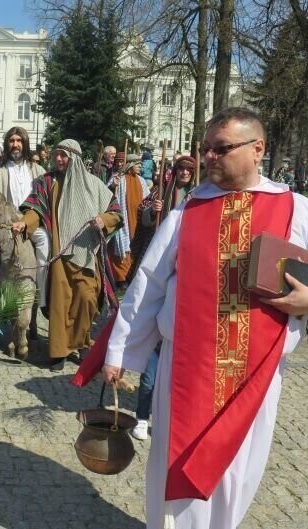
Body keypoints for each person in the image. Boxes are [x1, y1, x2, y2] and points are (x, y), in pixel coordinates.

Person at [101, 108, 308, 529]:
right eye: (206, 150)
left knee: (235, 472)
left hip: (255, 373)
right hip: (184, 369)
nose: (209, 158)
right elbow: (148, 285)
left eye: (221, 149)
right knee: (175, 472)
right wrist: (120, 352)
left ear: (258, 149)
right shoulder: (188, 212)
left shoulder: (297, 210)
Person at [13, 139, 122, 371]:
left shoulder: (94, 184)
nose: (59, 160)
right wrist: (24, 223)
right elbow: (35, 209)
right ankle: (59, 352)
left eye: (64, 156)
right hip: (60, 253)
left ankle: (81, 342)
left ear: (75, 158)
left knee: (87, 298)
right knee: (60, 303)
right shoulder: (46, 182)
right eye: (57, 155)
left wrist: (104, 220)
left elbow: (115, 211)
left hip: (87, 254)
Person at [128, 155, 196, 441]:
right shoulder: (159, 190)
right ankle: (142, 416)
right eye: (179, 168)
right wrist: (150, 212)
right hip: (159, 263)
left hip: (188, 270)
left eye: (188, 170)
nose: (183, 173)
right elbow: (141, 216)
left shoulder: (199, 195)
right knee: (155, 354)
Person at [0, 127, 50, 311]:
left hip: (33, 223)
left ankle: (42, 297)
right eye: (12, 141)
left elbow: (43, 202)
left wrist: (28, 221)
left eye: (19, 141)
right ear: (7, 144)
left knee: (45, 242)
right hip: (8, 226)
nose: (15, 145)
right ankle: (2, 302)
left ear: (25, 144)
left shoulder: (38, 170)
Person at [109, 154, 150, 285]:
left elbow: (148, 199)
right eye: (138, 164)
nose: (140, 166)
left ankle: (132, 277)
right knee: (122, 248)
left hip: (137, 221)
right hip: (124, 221)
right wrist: (112, 186)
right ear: (131, 165)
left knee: (135, 248)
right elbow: (106, 194)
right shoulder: (119, 179)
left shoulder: (142, 181)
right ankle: (120, 280)